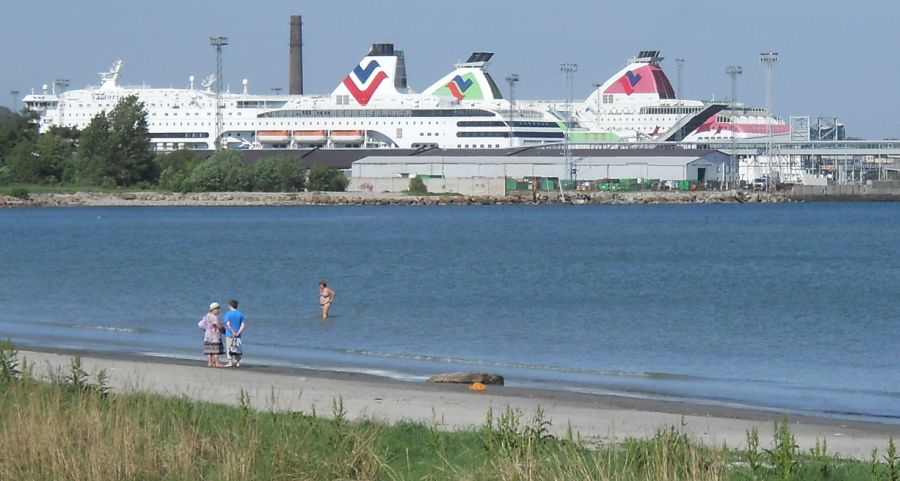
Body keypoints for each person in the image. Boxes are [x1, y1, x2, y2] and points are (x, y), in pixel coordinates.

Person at [199, 302, 224, 367]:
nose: (218, 311)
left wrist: (206, 329)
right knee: (215, 350)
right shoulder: (214, 317)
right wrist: (222, 329)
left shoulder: (207, 315)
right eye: (217, 309)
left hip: (207, 335)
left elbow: (200, 324)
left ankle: (210, 362)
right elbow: (217, 325)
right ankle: (217, 363)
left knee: (209, 350)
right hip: (214, 335)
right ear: (213, 309)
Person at [224, 299, 246, 368]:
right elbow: (243, 325)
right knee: (237, 348)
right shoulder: (240, 314)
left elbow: (228, 324)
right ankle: (238, 362)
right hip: (238, 335)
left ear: (230, 306)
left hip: (230, 334)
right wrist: (238, 332)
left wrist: (233, 332)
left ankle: (230, 362)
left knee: (229, 347)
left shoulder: (228, 314)